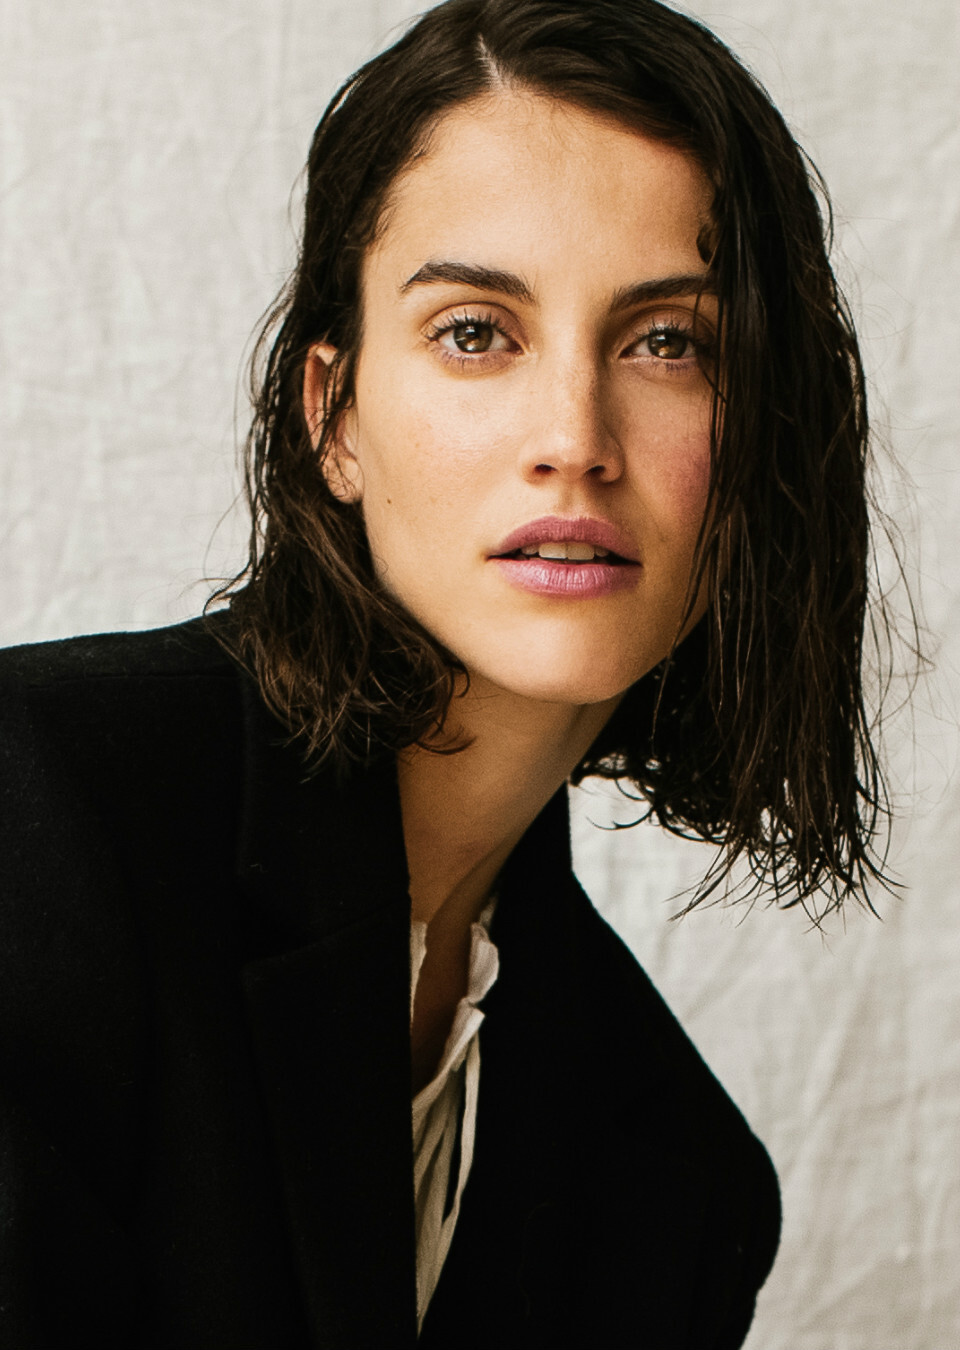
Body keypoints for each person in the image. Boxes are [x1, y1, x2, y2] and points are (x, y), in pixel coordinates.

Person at [0, 0, 887, 1345]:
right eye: (477, 331)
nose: (573, 436)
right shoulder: (41, 818)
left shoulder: (678, 1180)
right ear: (334, 418)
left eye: (668, 342)